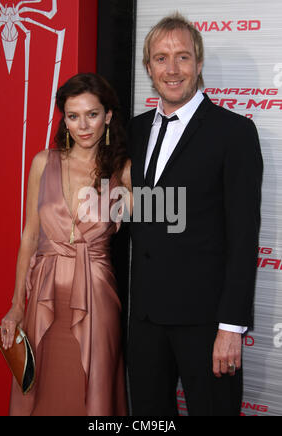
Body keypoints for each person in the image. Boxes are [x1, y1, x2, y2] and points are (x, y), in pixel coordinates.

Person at [127, 13, 263, 416]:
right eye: (161, 58)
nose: (172, 69)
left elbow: (243, 237)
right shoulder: (132, 132)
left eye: (182, 57)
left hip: (207, 326)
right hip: (146, 323)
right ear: (148, 68)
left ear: (199, 64)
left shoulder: (234, 132)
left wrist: (231, 328)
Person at [0, 73, 131, 416]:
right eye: (73, 116)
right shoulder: (43, 163)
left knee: (91, 392)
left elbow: (158, 227)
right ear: (64, 120)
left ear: (109, 116)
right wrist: (16, 304)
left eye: (92, 114)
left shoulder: (124, 171)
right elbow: (29, 236)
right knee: (40, 390)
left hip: (97, 299)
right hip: (43, 295)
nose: (83, 125)